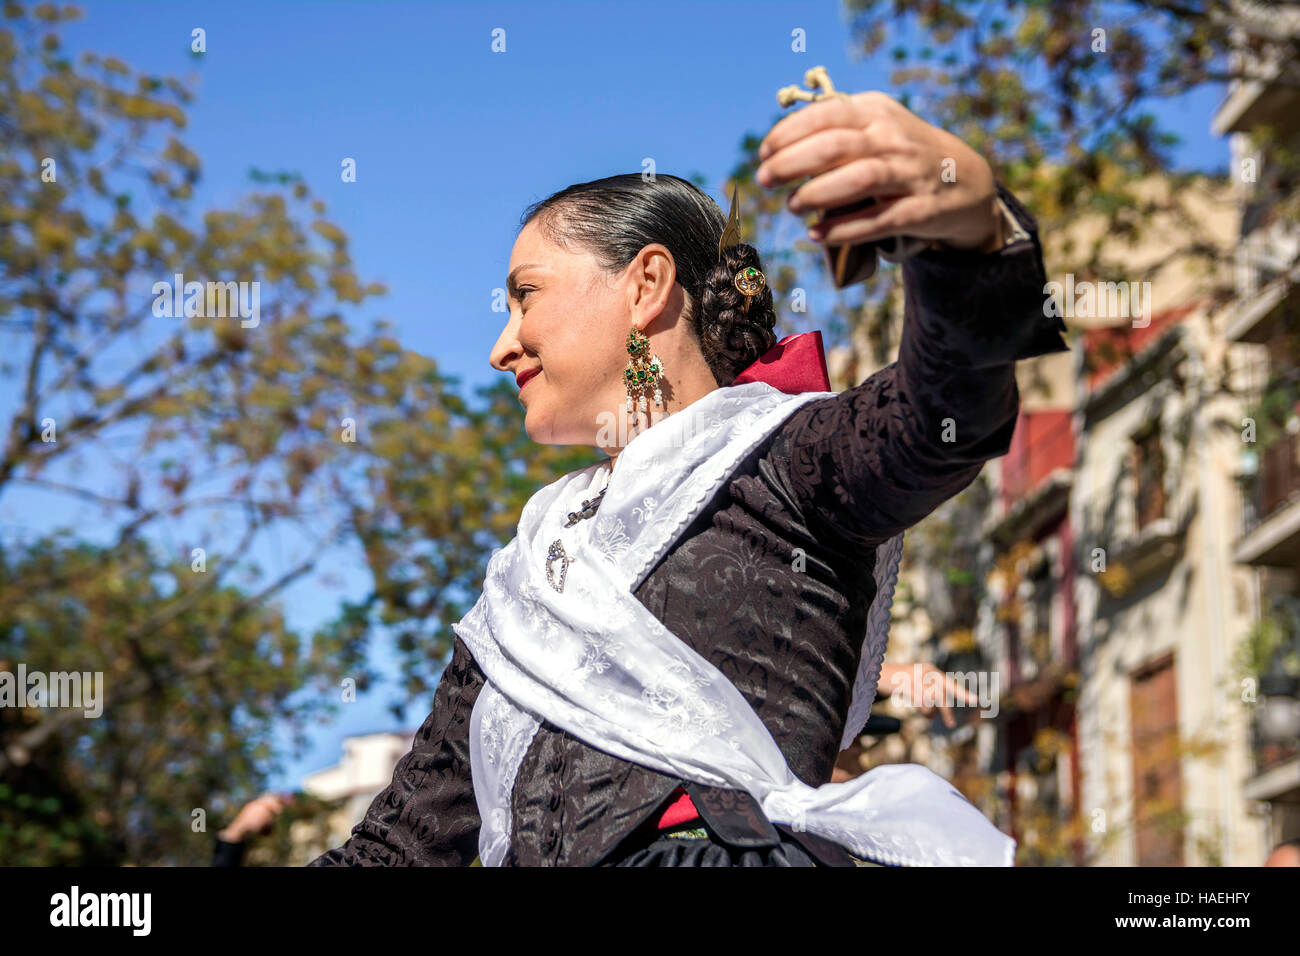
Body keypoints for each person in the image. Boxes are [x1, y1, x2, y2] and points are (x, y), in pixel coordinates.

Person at [308, 89, 1068, 867]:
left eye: (524, 296)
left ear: (645, 284)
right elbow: (392, 848)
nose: (501, 348)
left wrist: (971, 237)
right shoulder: (527, 579)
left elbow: (942, 419)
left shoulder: (789, 458)